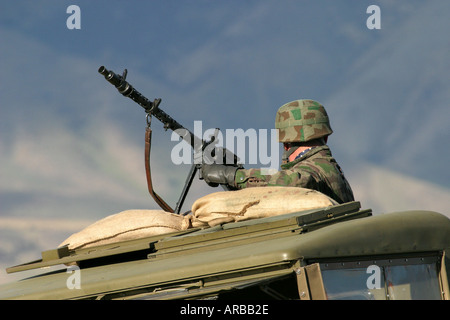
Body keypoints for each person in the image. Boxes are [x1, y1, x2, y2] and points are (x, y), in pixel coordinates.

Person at [200, 99, 355, 204]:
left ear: (286, 145)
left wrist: (231, 175)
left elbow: (296, 180)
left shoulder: (316, 170)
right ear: (325, 137)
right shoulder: (326, 166)